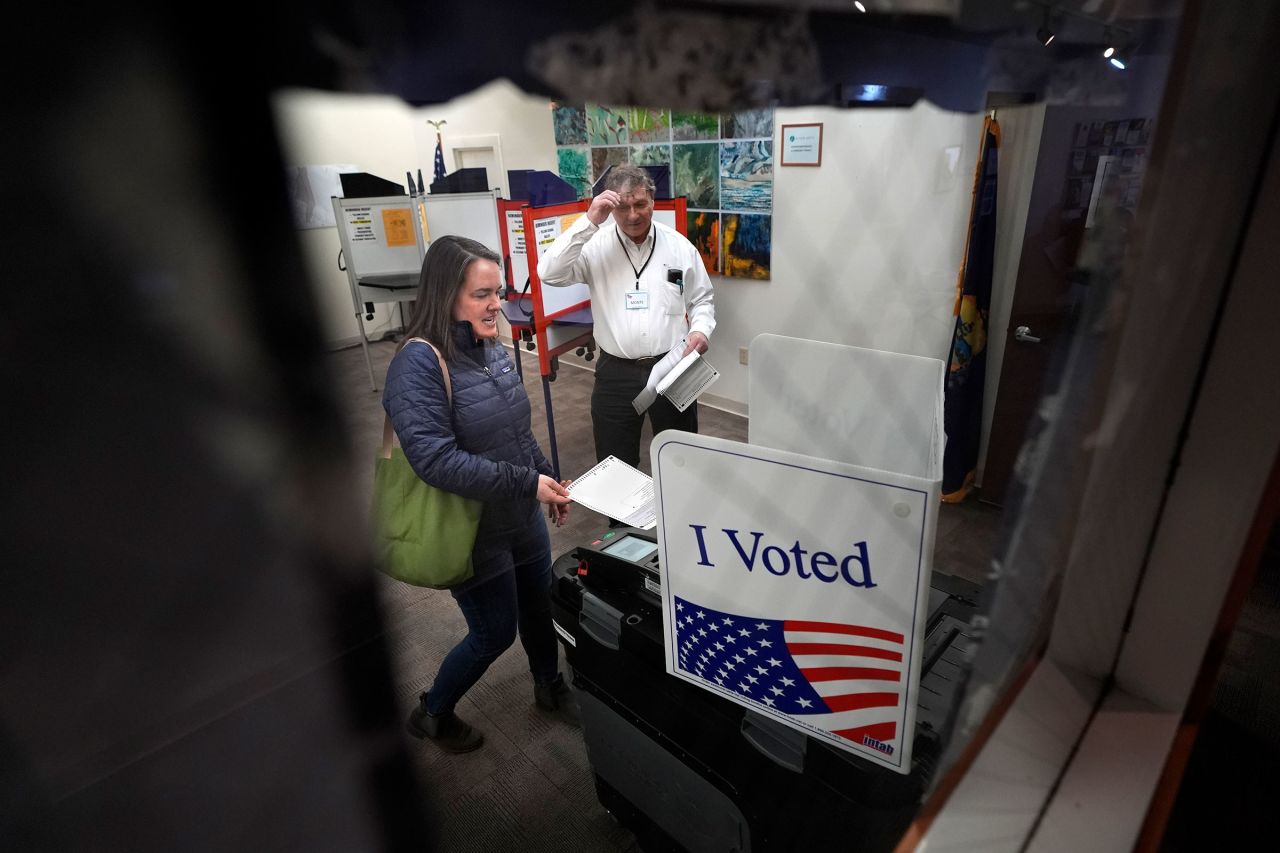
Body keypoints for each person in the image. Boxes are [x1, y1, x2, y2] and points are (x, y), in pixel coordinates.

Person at [383, 235, 576, 753]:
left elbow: (517, 431)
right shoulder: (417, 364)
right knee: (493, 634)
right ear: (446, 295)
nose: (498, 304)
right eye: (483, 294)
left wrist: (545, 479)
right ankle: (431, 712)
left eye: (500, 291)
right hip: (472, 532)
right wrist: (526, 483)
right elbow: (435, 460)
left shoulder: (491, 348)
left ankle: (549, 686)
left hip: (520, 515)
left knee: (538, 606)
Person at [537, 164, 716, 472]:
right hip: (615, 373)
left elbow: (702, 299)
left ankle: (681, 518)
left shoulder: (679, 247)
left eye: (640, 204)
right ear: (611, 207)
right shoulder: (594, 246)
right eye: (623, 206)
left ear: (653, 202)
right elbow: (549, 273)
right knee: (614, 464)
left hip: (673, 366)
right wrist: (590, 220)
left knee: (682, 460)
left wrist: (700, 331)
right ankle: (619, 523)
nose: (633, 215)